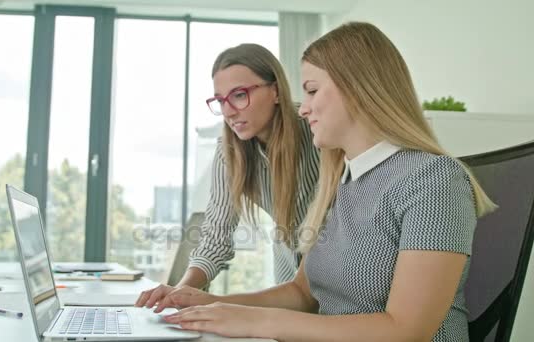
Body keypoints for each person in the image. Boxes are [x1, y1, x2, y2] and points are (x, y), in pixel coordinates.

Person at [149, 22, 497, 341]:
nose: (303, 108)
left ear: (358, 89)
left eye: (313, 91)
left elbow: (406, 330)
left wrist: (255, 321)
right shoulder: (343, 178)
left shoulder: (433, 180)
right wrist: (214, 304)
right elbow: (304, 292)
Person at [137, 43, 320, 308]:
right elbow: (216, 236)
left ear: (276, 91)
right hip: (288, 283)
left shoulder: (316, 131)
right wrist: (180, 290)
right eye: (221, 100)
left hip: (334, 282)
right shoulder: (230, 152)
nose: (229, 111)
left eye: (239, 95)